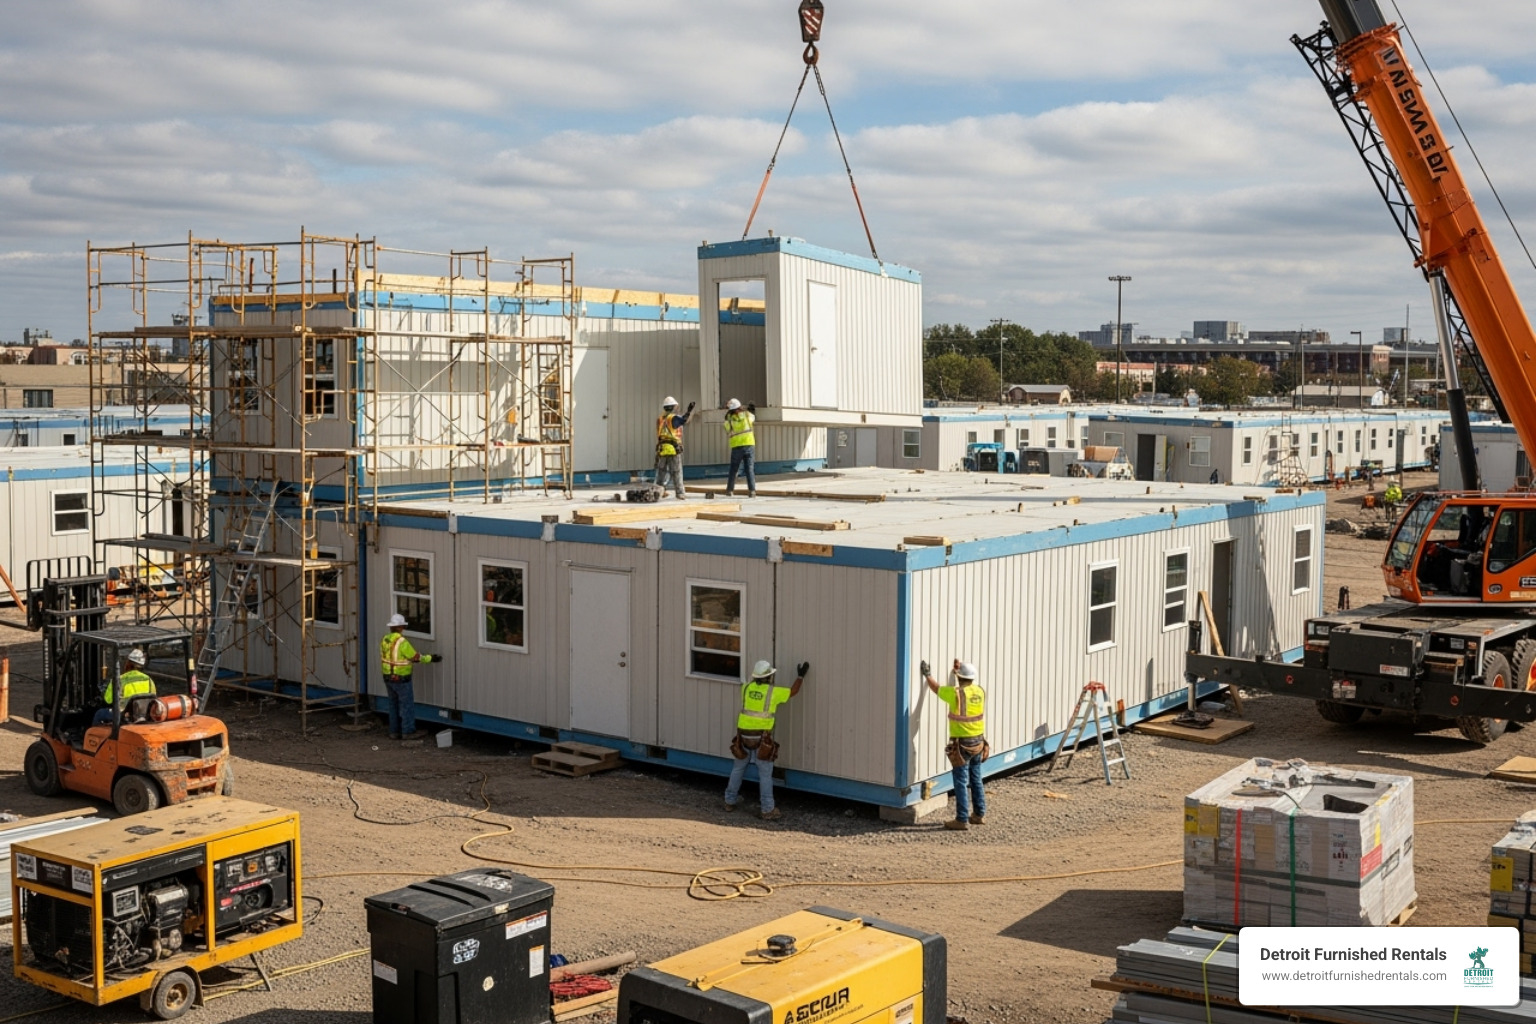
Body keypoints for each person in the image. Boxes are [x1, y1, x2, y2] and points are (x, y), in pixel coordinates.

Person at [724, 659, 809, 820]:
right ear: (769, 677)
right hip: (762, 737)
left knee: (738, 768)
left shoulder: (746, 688)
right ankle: (767, 809)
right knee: (765, 773)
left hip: (743, 736)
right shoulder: (773, 692)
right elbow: (793, 692)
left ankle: (729, 801)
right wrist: (800, 676)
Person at [921, 658, 987, 831]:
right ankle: (979, 815)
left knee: (960, 781)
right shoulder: (979, 691)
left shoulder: (955, 694)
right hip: (979, 742)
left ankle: (961, 819)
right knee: (976, 779)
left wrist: (927, 674)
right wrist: (955, 672)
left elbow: (937, 688)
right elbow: (956, 690)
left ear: (959, 677)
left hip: (962, 744)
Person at [380, 612, 442, 740]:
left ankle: (394, 731)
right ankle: (408, 731)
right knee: (406, 705)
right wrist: (431, 658)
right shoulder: (402, 641)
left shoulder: (385, 640)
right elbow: (415, 657)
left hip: (388, 677)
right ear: (401, 627)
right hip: (401, 679)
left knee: (393, 704)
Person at [95, 648, 156, 725]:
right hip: (143, 715)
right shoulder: (149, 680)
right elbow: (153, 698)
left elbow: (108, 700)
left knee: (99, 714)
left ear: (128, 663)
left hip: (124, 715)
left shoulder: (119, 680)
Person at [655, 396, 696, 499]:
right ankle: (680, 493)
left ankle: (658, 492)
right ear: (672, 407)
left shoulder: (660, 419)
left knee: (661, 472)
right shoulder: (672, 418)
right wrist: (689, 411)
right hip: (673, 448)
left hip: (662, 448)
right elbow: (683, 420)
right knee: (676, 471)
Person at [723, 398, 757, 498]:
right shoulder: (747, 415)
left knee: (733, 469)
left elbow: (727, 428)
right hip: (749, 444)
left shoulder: (729, 418)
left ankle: (729, 490)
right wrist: (752, 410)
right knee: (749, 469)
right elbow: (753, 418)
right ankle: (752, 491)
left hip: (736, 446)